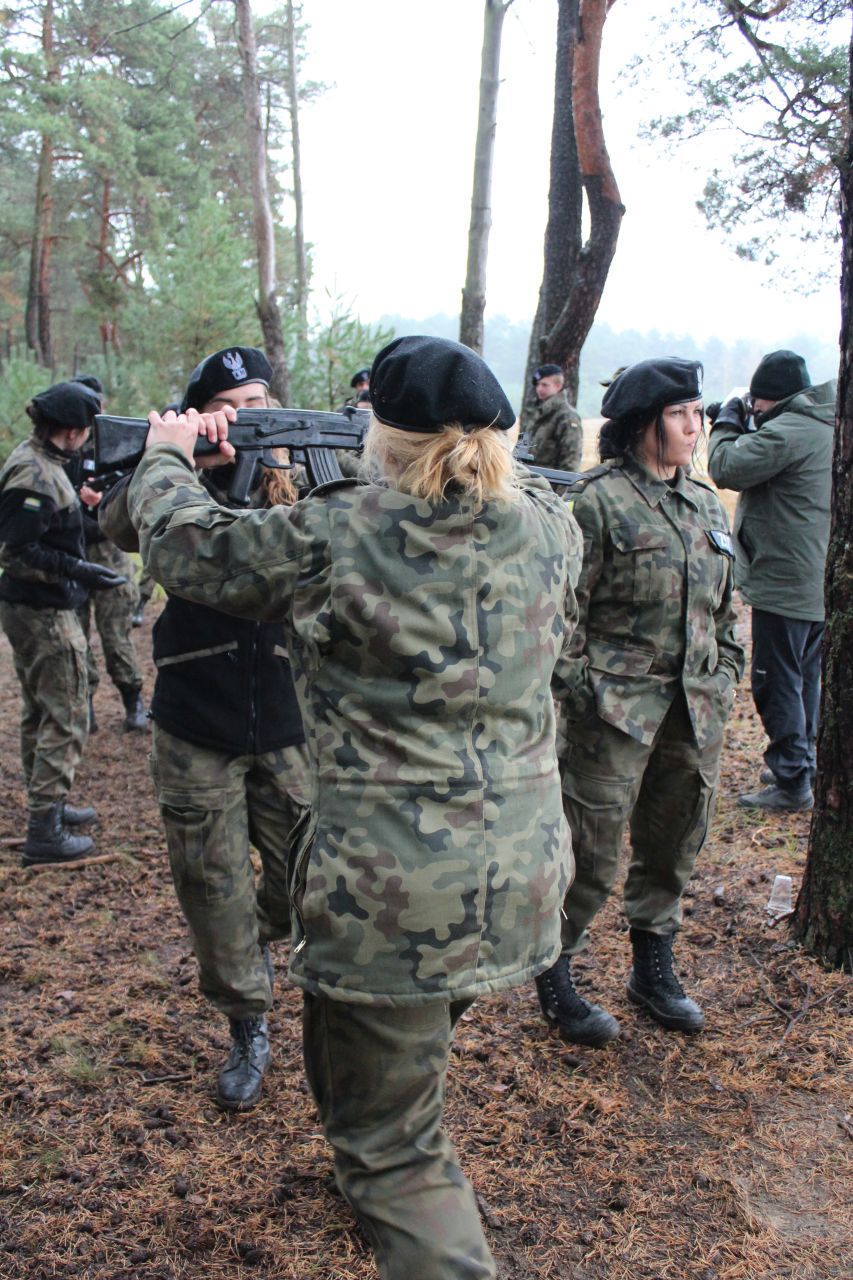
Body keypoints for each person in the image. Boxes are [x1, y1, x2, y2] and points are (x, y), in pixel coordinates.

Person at [124, 335, 581, 1280]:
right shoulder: (548, 528)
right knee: (373, 1048)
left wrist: (167, 454)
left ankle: (384, 1166)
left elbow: (183, 546)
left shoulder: (337, 533)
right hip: (520, 875)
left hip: (390, 895)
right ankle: (368, 1140)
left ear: (379, 431)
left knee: (396, 1149)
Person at [100, 347, 310, 1112]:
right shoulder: (175, 477)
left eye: (257, 401)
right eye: (229, 405)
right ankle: (246, 1018)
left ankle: (254, 944)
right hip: (197, 718)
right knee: (211, 885)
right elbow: (116, 521)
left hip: (289, 716)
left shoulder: (305, 473)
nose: (246, 416)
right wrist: (184, 459)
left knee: (301, 880)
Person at [538, 358, 744, 1047]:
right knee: (589, 854)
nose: (694, 427)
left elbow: (722, 610)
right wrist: (582, 690)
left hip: (694, 711)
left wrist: (726, 672)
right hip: (613, 715)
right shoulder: (596, 501)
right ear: (641, 424)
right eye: (679, 414)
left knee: (672, 842)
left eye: (698, 413)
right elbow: (561, 613)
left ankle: (652, 969)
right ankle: (555, 972)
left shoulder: (705, 502)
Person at [0, 380, 126, 865]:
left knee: (42, 708)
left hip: (38, 605)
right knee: (67, 711)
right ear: (72, 431)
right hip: (42, 611)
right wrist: (77, 570)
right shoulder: (33, 475)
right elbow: (16, 552)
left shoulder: (44, 463)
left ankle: (47, 806)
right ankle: (44, 832)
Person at [707, 350, 834, 812]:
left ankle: (792, 779)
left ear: (771, 398)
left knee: (775, 683)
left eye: (756, 402)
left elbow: (726, 467)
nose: (753, 409)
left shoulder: (788, 431)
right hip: (813, 581)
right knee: (804, 679)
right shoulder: (821, 424)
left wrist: (727, 421)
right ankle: (802, 762)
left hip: (786, 583)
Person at [64, 376, 147, 733]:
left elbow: (133, 500)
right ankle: (85, 705)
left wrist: (101, 504)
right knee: (76, 638)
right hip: (73, 554)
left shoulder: (117, 445)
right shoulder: (64, 449)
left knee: (116, 637)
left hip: (110, 554)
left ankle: (133, 701)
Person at [525, 362, 584, 472]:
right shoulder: (539, 413)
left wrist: (563, 483)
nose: (539, 389)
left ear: (558, 386)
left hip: (550, 481)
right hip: (530, 478)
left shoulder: (567, 416)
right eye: (538, 384)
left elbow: (571, 461)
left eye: (545, 385)